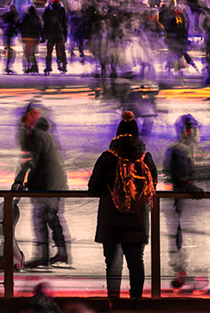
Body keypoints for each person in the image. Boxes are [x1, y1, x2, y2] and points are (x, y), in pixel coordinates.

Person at [87, 111, 156, 308]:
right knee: (136, 260)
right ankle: (136, 300)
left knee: (112, 262)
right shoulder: (145, 158)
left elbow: (94, 188)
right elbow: (153, 185)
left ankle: (113, 300)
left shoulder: (108, 157)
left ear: (117, 135)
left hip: (111, 218)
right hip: (137, 217)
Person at [12, 102, 69, 268]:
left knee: (40, 217)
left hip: (46, 183)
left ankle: (43, 255)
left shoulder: (35, 135)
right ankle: (62, 251)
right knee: (52, 217)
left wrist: (19, 180)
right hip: (55, 182)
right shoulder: (46, 134)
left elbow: (30, 160)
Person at [164, 114, 206, 291]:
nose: (190, 132)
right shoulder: (178, 149)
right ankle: (184, 270)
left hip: (189, 201)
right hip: (184, 200)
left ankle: (186, 271)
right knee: (183, 235)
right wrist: (187, 184)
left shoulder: (187, 149)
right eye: (188, 128)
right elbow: (174, 173)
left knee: (186, 235)